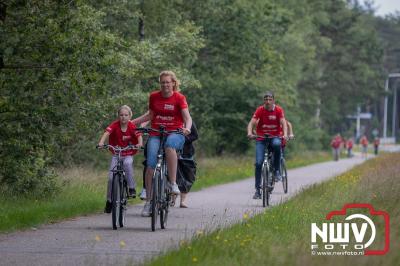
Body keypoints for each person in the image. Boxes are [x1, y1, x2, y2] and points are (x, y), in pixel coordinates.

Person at [132, 70, 192, 217]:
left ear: (173, 83)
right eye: (162, 82)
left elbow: (187, 118)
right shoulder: (153, 96)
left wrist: (187, 129)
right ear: (160, 83)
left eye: (168, 82)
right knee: (151, 163)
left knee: (170, 145)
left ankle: (173, 184)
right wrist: (132, 124)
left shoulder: (179, 98)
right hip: (156, 133)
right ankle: (148, 202)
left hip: (175, 133)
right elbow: (150, 115)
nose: (165, 85)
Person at [98, 105, 143, 213]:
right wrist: (101, 142)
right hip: (116, 154)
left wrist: (140, 143)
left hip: (128, 153)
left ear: (130, 116)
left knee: (127, 165)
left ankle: (131, 188)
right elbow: (107, 133)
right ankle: (109, 201)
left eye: (126, 115)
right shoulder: (115, 125)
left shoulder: (132, 126)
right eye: (121, 115)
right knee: (111, 178)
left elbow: (139, 136)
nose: (123, 117)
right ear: (118, 116)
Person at [247, 91, 287, 200]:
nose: (268, 101)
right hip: (261, 138)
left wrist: (286, 135)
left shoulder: (278, 110)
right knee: (259, 163)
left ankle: (277, 170)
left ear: (273, 100)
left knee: (277, 144)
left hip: (275, 137)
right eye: (266, 99)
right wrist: (249, 133)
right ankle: (257, 190)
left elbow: (283, 122)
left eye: (270, 99)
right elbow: (252, 122)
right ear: (263, 100)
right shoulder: (260, 110)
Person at [176, 122, 198, 208]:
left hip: (187, 153)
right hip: (173, 151)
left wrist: (183, 139)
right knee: (174, 176)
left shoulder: (189, 122)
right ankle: (172, 197)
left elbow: (195, 136)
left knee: (188, 176)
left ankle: (182, 201)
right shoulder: (172, 118)